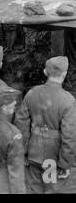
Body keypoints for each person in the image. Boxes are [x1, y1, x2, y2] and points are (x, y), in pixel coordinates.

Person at [14, 56, 76, 193]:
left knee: (34, 189)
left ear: (45, 72)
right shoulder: (68, 100)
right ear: (64, 74)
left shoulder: (31, 93)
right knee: (51, 189)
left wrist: (23, 152)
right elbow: (69, 136)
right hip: (53, 156)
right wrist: (65, 163)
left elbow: (21, 124)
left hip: (33, 152)